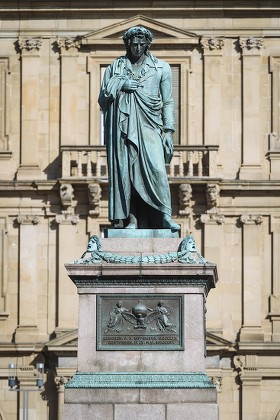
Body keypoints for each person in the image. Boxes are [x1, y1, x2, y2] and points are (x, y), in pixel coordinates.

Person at [98, 26, 180, 231]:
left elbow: (168, 102)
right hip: (122, 130)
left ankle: (164, 215)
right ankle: (132, 220)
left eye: (141, 44)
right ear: (127, 44)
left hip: (150, 125)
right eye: (133, 44)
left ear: (147, 44)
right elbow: (102, 99)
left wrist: (169, 131)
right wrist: (121, 85)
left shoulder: (161, 68)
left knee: (157, 170)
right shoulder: (114, 69)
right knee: (127, 174)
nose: (137, 47)